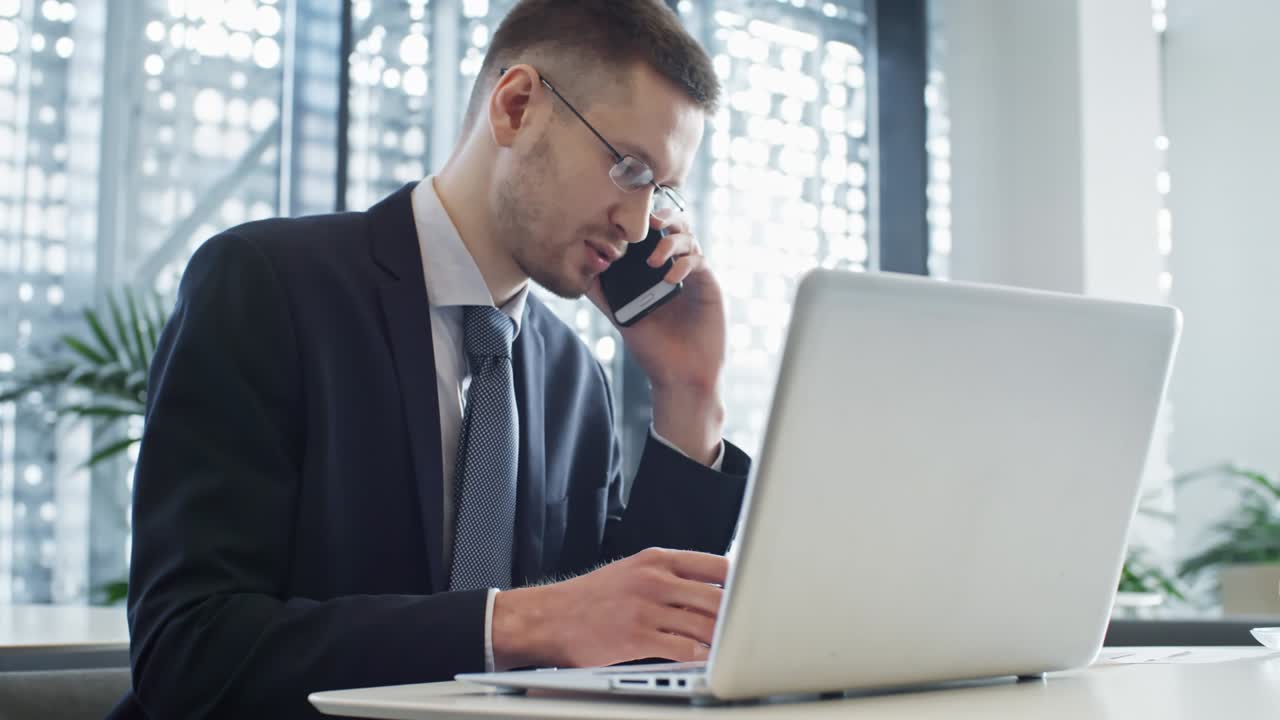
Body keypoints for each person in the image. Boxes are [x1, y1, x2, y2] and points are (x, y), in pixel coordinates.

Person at [108, 1, 751, 718]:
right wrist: (520, 623)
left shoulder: (575, 379)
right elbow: (188, 652)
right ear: (515, 107)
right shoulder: (267, 284)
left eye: (660, 192)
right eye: (628, 168)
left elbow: (639, 652)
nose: (637, 226)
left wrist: (690, 391)